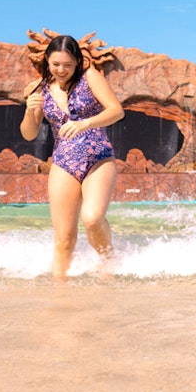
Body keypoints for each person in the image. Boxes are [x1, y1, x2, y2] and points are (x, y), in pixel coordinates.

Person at [20, 34, 125, 280]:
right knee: (63, 238)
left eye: (67, 65)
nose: (61, 70)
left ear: (77, 62)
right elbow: (29, 134)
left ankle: (109, 264)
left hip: (98, 157)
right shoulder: (40, 90)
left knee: (92, 218)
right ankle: (60, 292)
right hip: (63, 163)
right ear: (47, 61)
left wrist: (85, 123)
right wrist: (29, 110)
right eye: (55, 64)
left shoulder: (90, 77)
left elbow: (116, 111)